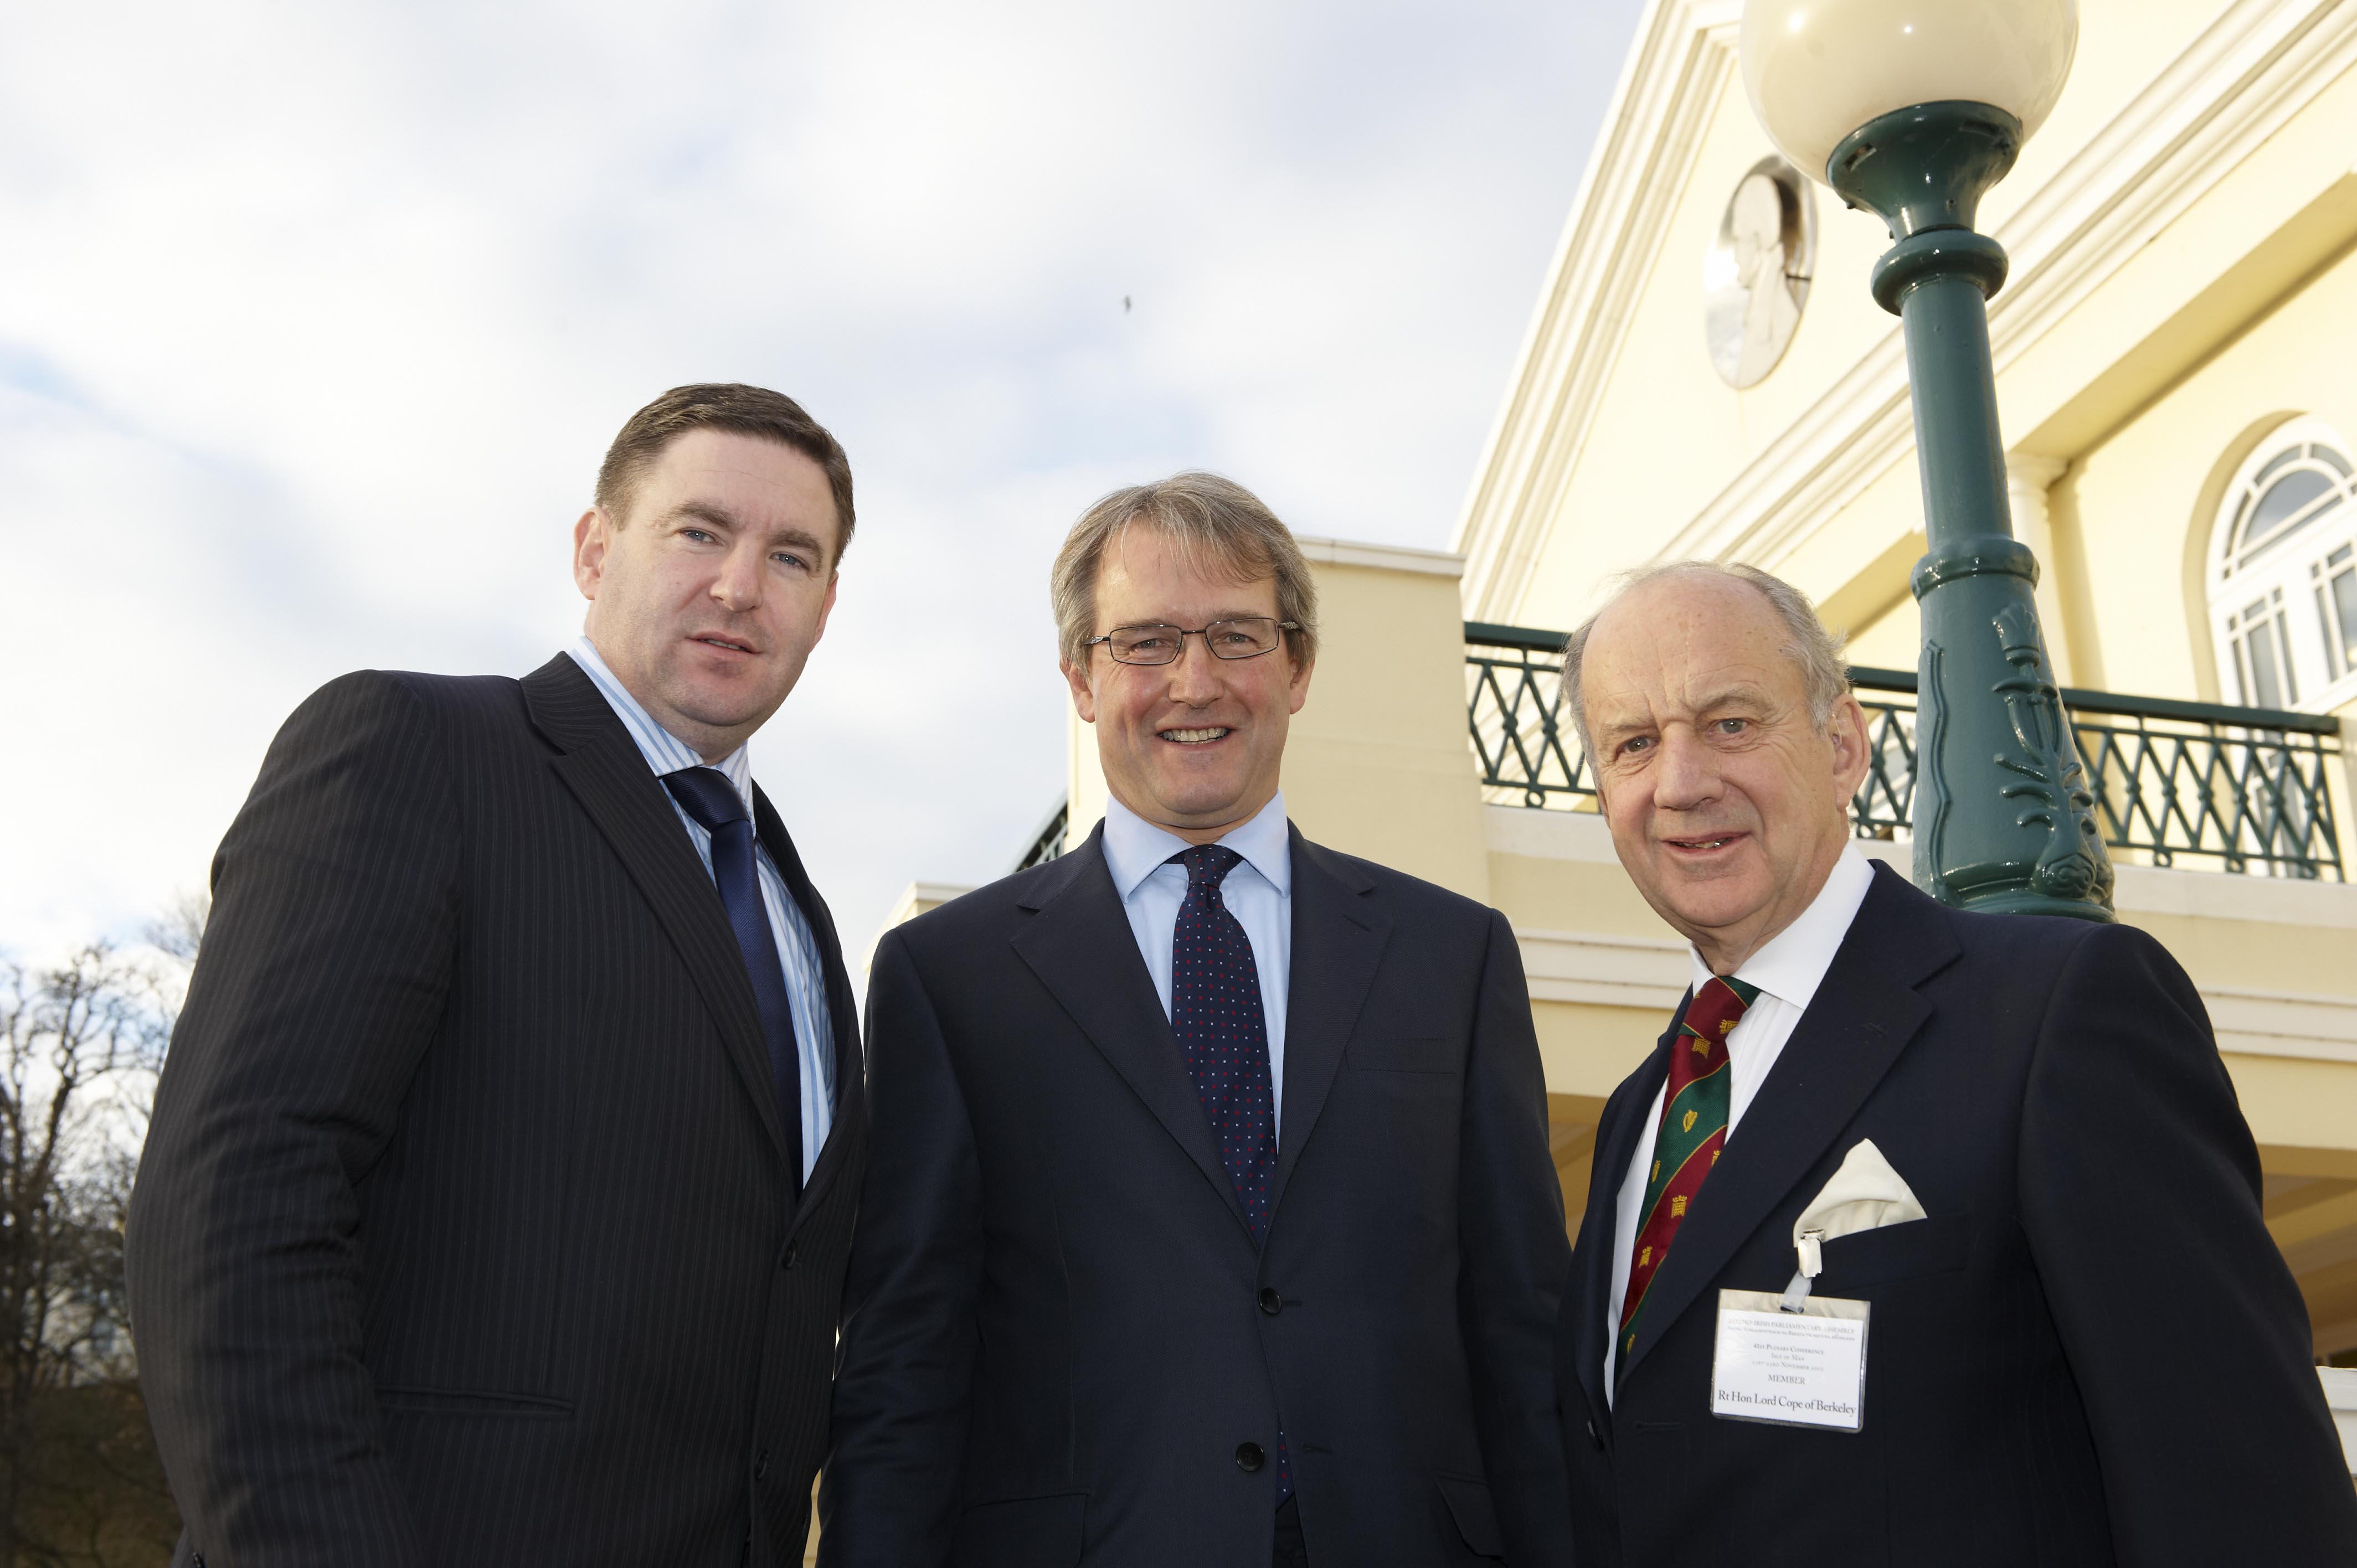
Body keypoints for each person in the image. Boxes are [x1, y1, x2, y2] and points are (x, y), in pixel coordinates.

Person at [125, 384, 868, 1568]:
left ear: (826, 606)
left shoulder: (797, 913)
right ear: (593, 549)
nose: (741, 584)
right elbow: (234, 1211)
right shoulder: (413, 753)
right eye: (698, 530)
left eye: (792, 555)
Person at [821, 473, 1573, 1567]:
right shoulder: (951, 978)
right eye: (1145, 643)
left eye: (1235, 636)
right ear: (1080, 677)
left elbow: (1519, 1333)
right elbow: (903, 1357)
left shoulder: (1451, 960)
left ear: (1298, 666)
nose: (1194, 680)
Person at [1552, 560, 2357, 1565]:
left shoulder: (2058, 1012)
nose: (1680, 783)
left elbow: (2243, 1485)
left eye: (1730, 724)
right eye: (1634, 744)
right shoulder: (1644, 1112)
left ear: (1843, 744)